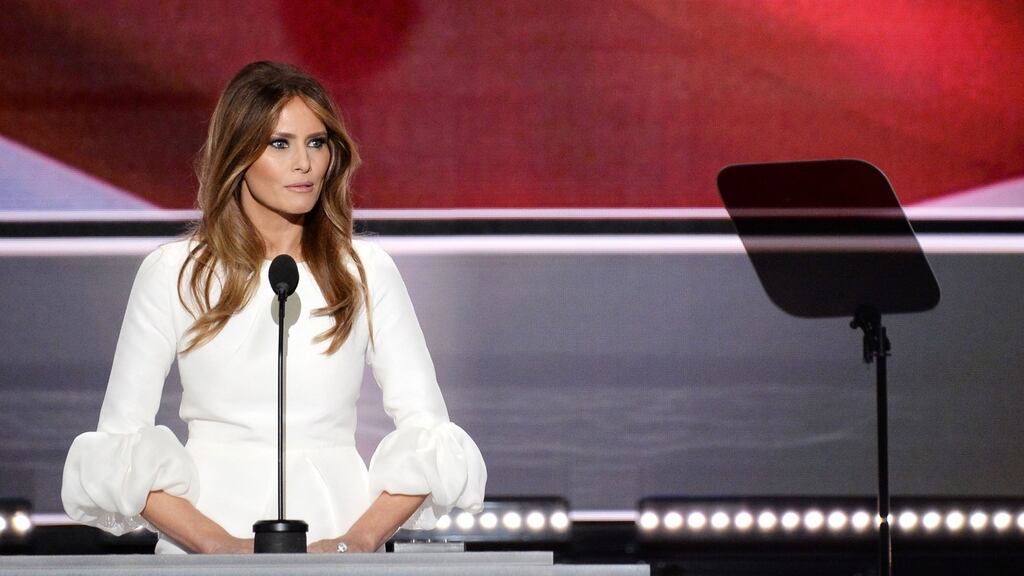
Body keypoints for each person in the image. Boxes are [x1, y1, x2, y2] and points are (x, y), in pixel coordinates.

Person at [61, 61, 486, 554]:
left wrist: (357, 541)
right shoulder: (175, 272)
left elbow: (430, 433)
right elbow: (119, 443)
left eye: (317, 142)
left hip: (336, 533)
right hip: (206, 534)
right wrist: (219, 546)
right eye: (280, 144)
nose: (303, 163)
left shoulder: (365, 270)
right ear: (238, 153)